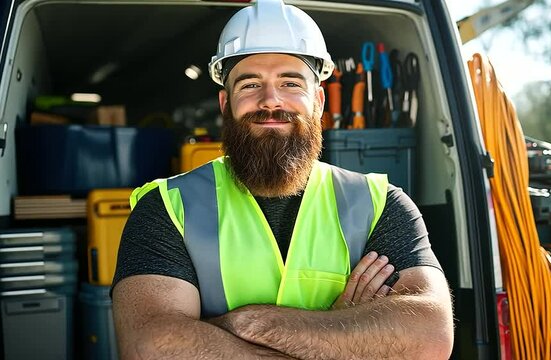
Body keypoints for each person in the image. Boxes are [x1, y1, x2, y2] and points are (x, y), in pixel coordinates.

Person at [111, 0, 453, 358]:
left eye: (290, 83)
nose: (270, 100)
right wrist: (340, 334)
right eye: (250, 85)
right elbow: (151, 347)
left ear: (318, 102)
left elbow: (429, 337)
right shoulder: (166, 209)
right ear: (225, 104)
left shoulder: (380, 204)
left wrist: (243, 325)